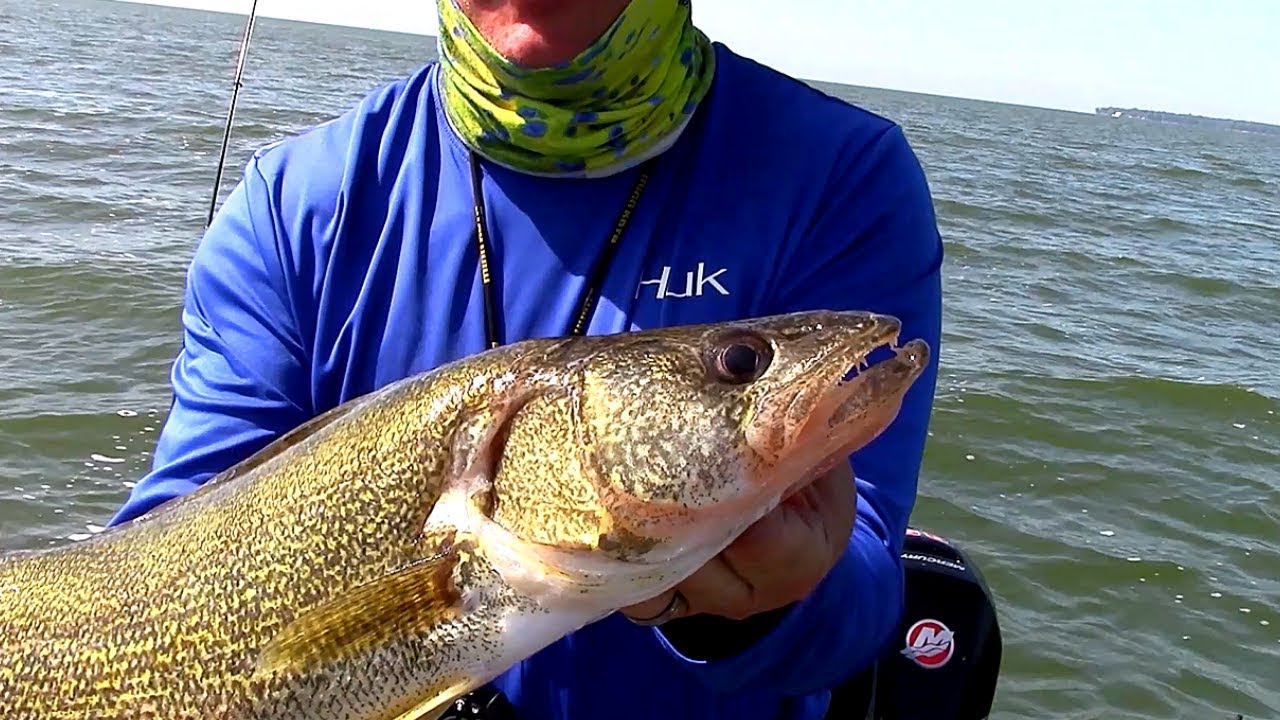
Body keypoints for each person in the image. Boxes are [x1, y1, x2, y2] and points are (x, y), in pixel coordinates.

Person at [107, 0, 944, 718]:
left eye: (737, 363)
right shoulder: (295, 205)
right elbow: (160, 581)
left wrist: (774, 601)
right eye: (740, 363)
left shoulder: (842, 179)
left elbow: (860, 601)